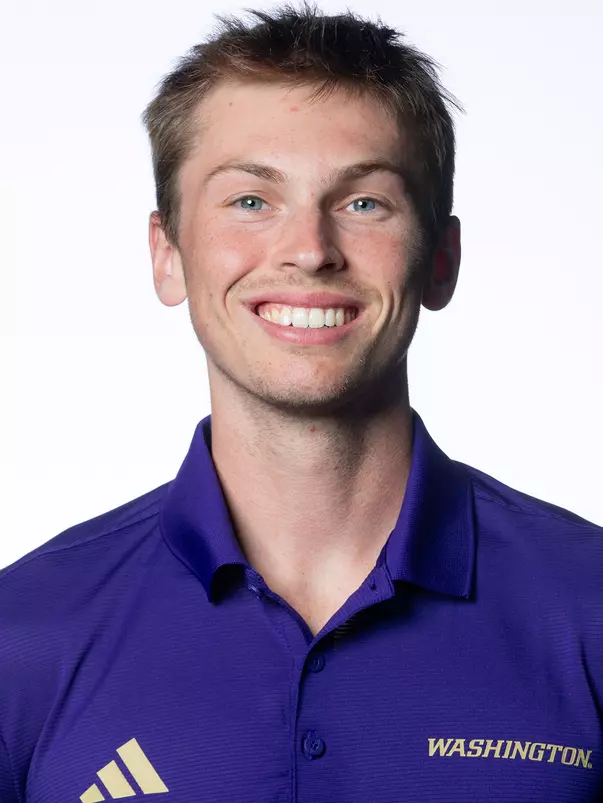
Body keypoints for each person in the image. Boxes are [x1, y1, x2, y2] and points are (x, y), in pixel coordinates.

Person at [1, 3, 601, 802]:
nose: (310, 249)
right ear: (168, 253)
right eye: (250, 200)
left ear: (440, 260)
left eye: (364, 203)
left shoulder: (587, 605)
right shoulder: (25, 634)